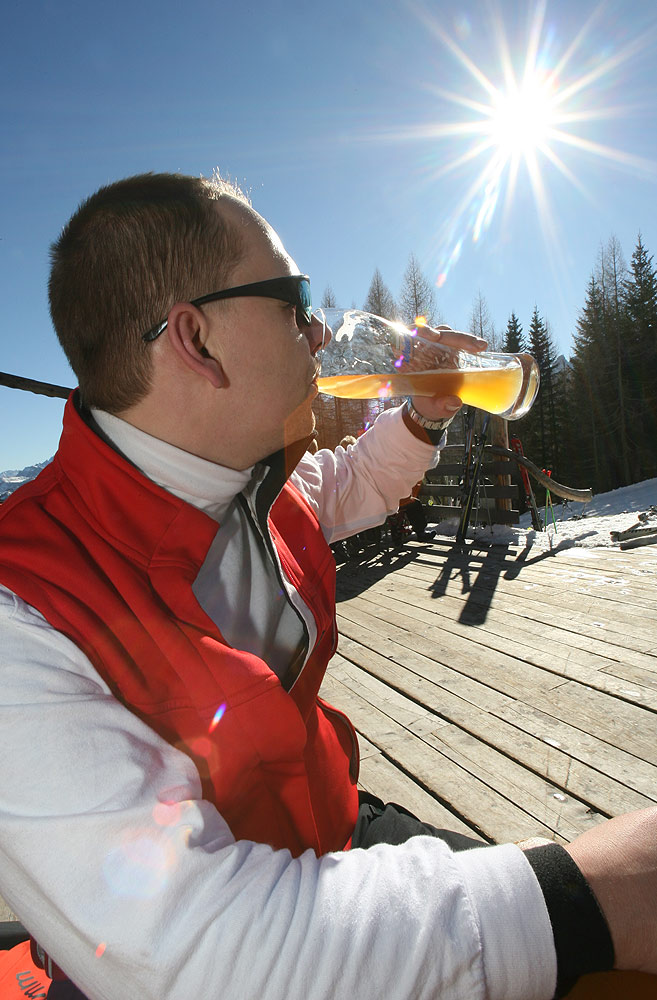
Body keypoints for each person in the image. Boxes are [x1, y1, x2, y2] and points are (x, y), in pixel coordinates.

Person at [0, 172, 655, 1000]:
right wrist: (594, 894)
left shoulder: (253, 481)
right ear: (196, 341)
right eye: (293, 301)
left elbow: (357, 483)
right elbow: (193, 954)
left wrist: (423, 412)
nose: (318, 330)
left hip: (335, 826)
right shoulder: (20, 607)